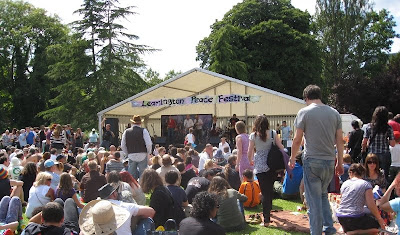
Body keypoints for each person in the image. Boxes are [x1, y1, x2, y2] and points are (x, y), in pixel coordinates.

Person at [289, 85, 343, 235]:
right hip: (329, 161)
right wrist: (340, 161)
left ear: (306, 98)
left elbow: (297, 139)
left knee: (314, 203)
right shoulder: (334, 113)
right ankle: (329, 229)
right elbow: (339, 141)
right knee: (323, 196)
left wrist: (292, 158)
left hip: (312, 160)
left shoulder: (304, 112)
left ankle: (316, 232)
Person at [247, 115, 284, 226]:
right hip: (272, 165)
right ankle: (269, 212)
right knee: (269, 191)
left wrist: (251, 161)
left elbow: (250, 152)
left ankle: (266, 219)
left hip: (260, 167)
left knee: (264, 192)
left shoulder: (253, 136)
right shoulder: (273, 133)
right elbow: (281, 148)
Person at [336, 163, 385, 234]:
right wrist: (379, 219)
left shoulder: (344, 184)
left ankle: (348, 231)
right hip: (355, 218)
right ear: (362, 174)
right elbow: (371, 205)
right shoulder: (365, 184)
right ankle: (355, 232)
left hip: (341, 217)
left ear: (350, 173)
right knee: (377, 227)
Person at [362, 106, 396, 180]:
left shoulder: (369, 127)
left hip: (372, 153)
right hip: (384, 153)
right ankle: (383, 189)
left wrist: (364, 149)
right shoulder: (388, 128)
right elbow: (393, 144)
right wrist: (386, 141)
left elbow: (364, 142)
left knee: (371, 174)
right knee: (384, 175)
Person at [121, 115, 152, 180]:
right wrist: (148, 152)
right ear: (140, 123)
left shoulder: (126, 131)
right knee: (143, 175)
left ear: (132, 123)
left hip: (131, 155)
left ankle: (132, 188)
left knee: (131, 175)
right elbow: (149, 144)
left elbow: (122, 145)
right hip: (142, 154)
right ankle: (142, 188)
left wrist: (128, 153)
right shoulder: (144, 131)